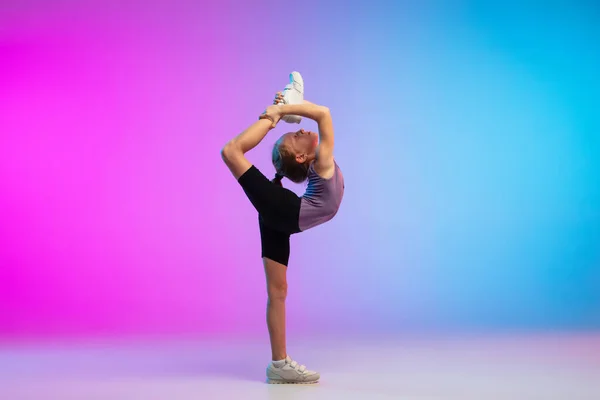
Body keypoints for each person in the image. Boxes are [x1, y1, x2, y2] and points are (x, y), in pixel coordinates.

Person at [220, 72, 344, 384]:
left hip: (283, 213)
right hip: (283, 210)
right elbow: (324, 114)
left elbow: (317, 120)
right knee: (231, 152)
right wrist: (278, 114)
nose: (303, 129)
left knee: (278, 291)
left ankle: (279, 364)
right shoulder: (322, 161)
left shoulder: (317, 161)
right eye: (296, 135)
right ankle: (277, 110)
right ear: (302, 156)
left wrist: (286, 110)